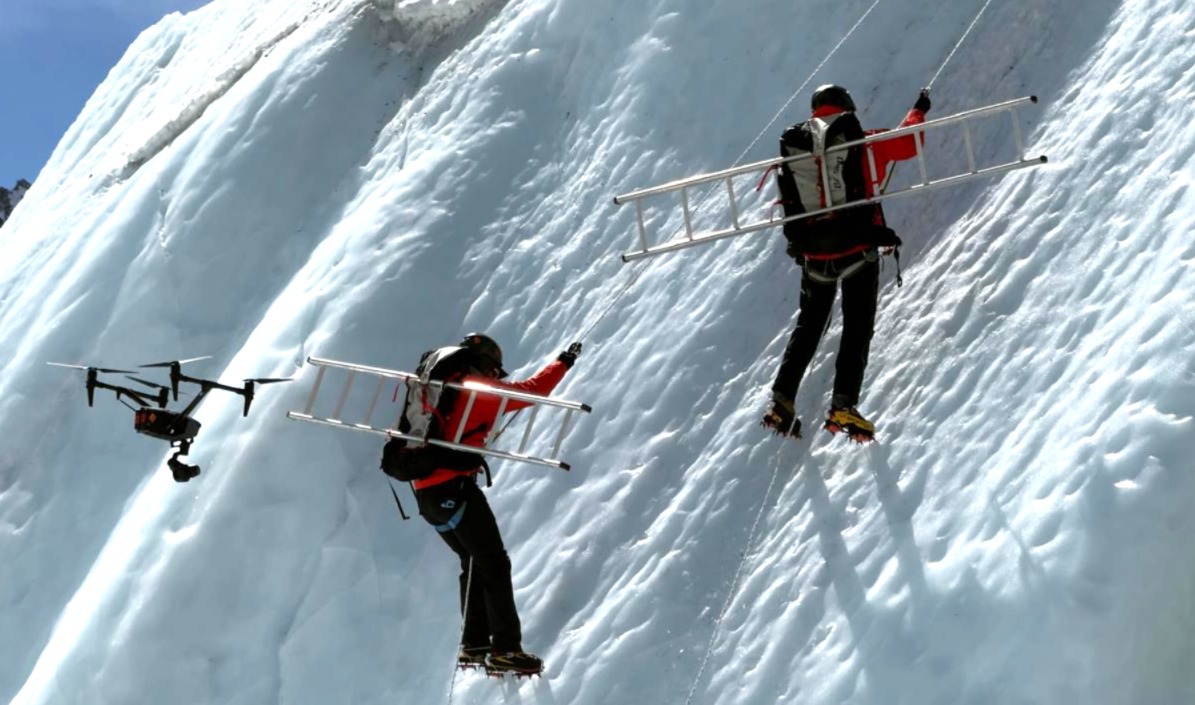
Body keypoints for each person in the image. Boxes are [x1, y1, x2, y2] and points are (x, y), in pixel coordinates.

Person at [762, 84, 931, 442]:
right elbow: (909, 142)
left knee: (809, 327)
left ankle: (782, 402)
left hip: (815, 256)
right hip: (858, 250)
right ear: (848, 110)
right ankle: (843, 405)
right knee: (856, 328)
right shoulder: (862, 143)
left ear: (814, 113)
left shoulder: (796, 153)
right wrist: (919, 109)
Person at [411, 333, 581, 675]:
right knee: (494, 562)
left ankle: (474, 643)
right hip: (454, 488)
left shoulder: (435, 390)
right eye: (494, 371)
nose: (495, 378)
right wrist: (564, 362)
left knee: (472, 560)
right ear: (485, 365)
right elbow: (532, 391)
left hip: (425, 492)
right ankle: (506, 648)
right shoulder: (474, 389)